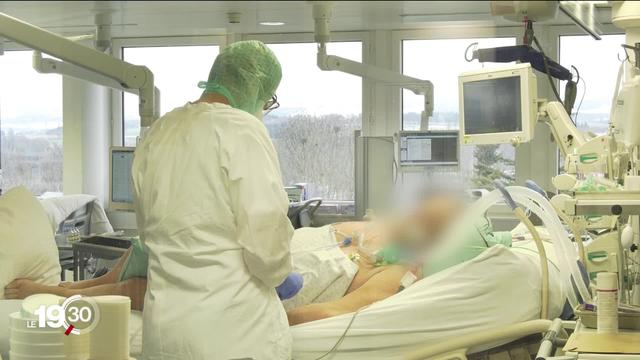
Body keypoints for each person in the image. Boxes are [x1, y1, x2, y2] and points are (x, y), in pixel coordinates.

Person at [6, 194, 477, 325]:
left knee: (146, 291)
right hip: (248, 258)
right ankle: (74, 287)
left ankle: (54, 294)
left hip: (255, 294)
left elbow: (339, 312)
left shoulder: (394, 271)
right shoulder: (364, 229)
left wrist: (266, 319)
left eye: (428, 225)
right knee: (151, 244)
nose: (412, 220)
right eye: (419, 210)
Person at [133, 40, 293, 359]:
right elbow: (266, 241)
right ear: (257, 90)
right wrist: (281, 273)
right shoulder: (243, 130)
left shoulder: (158, 132)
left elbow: (148, 234)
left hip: (164, 330)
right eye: (267, 101)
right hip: (234, 331)